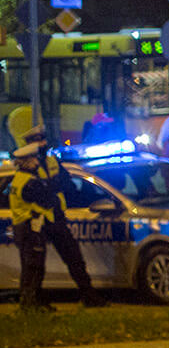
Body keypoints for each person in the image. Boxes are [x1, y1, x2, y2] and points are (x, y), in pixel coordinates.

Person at [7, 108, 109, 311]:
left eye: (43, 138)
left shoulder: (51, 161)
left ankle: (88, 295)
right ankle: (32, 303)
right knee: (35, 265)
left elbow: (68, 185)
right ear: (27, 144)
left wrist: (53, 188)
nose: (43, 142)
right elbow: (45, 194)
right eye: (37, 139)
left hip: (55, 218)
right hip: (35, 222)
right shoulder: (25, 173)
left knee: (74, 258)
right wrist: (54, 187)